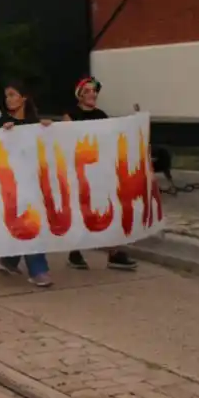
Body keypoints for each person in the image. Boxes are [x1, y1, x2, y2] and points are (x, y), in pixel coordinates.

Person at [63, 77, 138, 272]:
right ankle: (74, 252)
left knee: (110, 209)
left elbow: (111, 139)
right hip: (80, 171)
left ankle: (114, 253)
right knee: (82, 212)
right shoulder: (70, 116)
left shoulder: (102, 115)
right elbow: (66, 143)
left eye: (94, 91)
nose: (92, 94)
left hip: (100, 170)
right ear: (79, 95)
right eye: (87, 91)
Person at [0, 81, 54, 288]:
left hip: (32, 182)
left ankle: (9, 260)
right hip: (11, 184)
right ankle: (38, 270)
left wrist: (49, 131)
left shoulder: (34, 123)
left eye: (12, 95)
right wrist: (2, 134)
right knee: (29, 223)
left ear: (24, 97)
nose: (8, 99)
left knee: (29, 221)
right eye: (6, 96)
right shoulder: (1, 123)